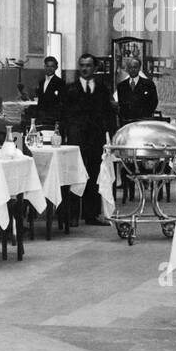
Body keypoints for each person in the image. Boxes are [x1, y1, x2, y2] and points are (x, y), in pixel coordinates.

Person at [60, 53, 118, 225]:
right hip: (76, 137)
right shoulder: (70, 89)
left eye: (88, 65)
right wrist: (64, 134)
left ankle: (91, 214)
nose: (85, 68)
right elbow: (63, 114)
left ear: (95, 68)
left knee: (93, 174)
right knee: (75, 174)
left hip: (96, 137)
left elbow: (108, 113)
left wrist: (111, 134)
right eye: (82, 65)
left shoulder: (102, 88)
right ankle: (72, 215)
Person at [116, 55, 158, 126]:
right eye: (130, 67)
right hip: (127, 122)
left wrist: (146, 116)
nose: (132, 70)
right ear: (127, 69)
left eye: (135, 67)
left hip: (143, 122)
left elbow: (154, 102)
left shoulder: (148, 84)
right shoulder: (121, 86)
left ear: (139, 68)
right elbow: (121, 104)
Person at [35, 56, 64, 124]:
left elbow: (61, 102)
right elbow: (40, 100)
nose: (49, 69)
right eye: (47, 66)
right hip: (41, 117)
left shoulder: (60, 82)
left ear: (56, 68)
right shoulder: (41, 82)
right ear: (44, 67)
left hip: (53, 117)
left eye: (52, 66)